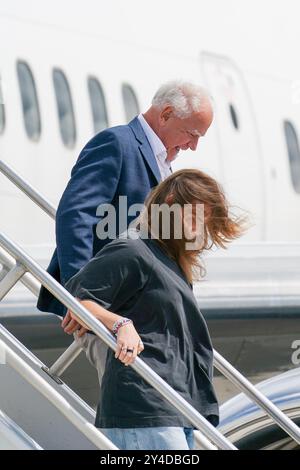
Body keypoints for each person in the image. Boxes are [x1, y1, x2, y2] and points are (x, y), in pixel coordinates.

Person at [64, 168, 246, 450]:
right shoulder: (134, 249)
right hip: (144, 405)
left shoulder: (169, 262)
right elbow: (78, 301)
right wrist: (120, 324)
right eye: (196, 217)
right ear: (172, 203)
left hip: (173, 407)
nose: (199, 229)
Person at [37, 80, 213, 320]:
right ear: (167, 114)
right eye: (192, 134)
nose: (193, 146)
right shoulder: (117, 144)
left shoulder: (164, 165)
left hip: (142, 306)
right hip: (109, 301)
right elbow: (76, 215)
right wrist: (80, 297)